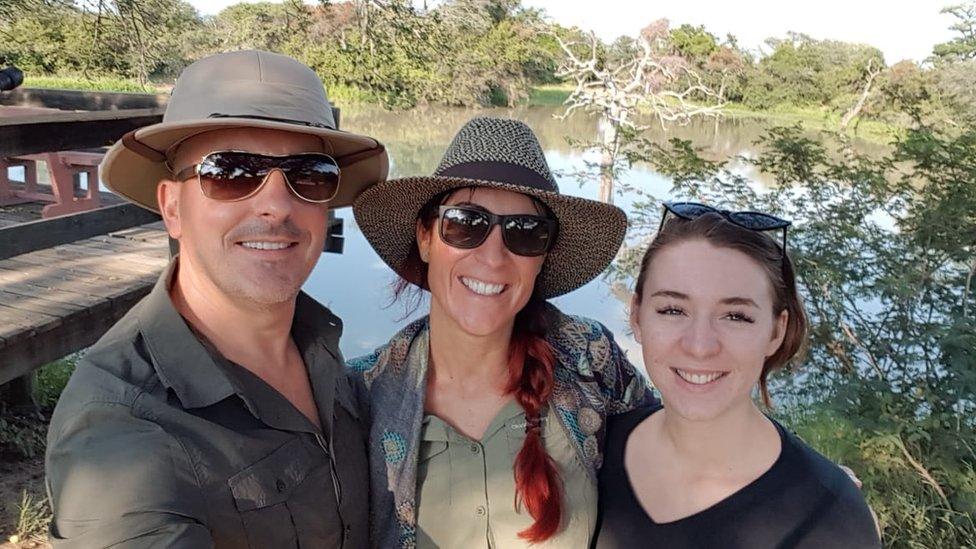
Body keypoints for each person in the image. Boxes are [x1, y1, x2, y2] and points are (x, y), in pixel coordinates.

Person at [45, 50, 388, 548]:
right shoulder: (120, 434)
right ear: (172, 207)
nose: (275, 203)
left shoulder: (317, 342)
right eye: (230, 172)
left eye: (309, 174)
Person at [348, 116, 656, 548]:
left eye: (525, 232)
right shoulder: (360, 394)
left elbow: (676, 461)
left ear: (543, 256)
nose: (493, 258)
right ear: (425, 238)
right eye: (464, 223)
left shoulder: (590, 359)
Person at [592, 202, 882, 548]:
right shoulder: (589, 449)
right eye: (672, 309)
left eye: (736, 316)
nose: (700, 346)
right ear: (638, 316)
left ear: (776, 330)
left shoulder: (830, 522)